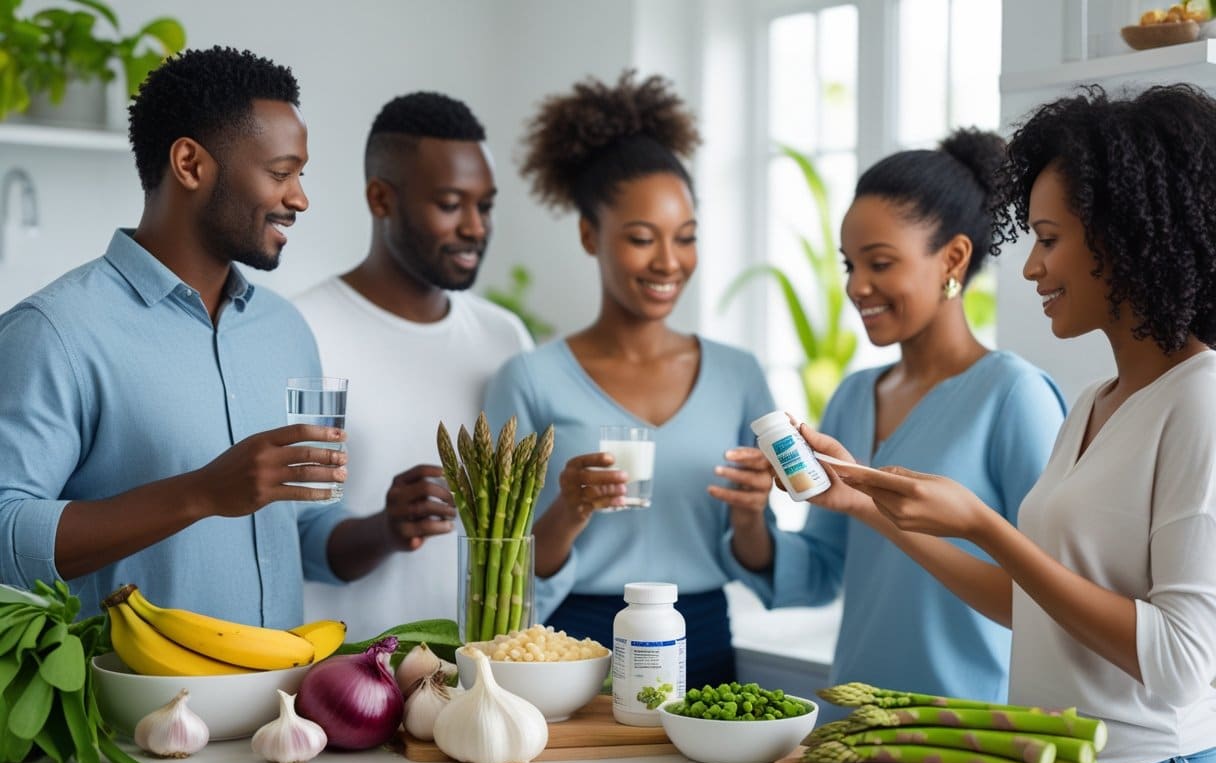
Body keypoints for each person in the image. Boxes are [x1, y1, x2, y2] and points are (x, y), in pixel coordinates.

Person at [815, 84, 1216, 763]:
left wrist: (984, 526)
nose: (1030, 265)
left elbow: (1183, 660)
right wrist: (869, 509)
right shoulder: (1096, 402)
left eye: (1050, 240)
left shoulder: (1202, 401)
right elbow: (1031, 606)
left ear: (1124, 237)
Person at [0, 47, 422, 628]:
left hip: (283, 713)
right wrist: (200, 493)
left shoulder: (284, 330)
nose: (299, 198)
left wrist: (388, 529)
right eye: (280, 173)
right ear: (191, 165)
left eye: (300, 175)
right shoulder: (54, 331)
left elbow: (302, 533)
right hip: (134, 717)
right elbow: (6, 533)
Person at [725, 130, 1066, 718]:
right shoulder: (856, 396)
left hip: (969, 730)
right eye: (850, 264)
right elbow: (822, 573)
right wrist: (750, 522)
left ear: (953, 259)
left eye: (880, 263)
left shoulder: (1015, 396)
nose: (857, 286)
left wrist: (866, 504)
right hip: (852, 720)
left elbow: (1049, 596)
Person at [484, 70, 782, 687]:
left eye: (686, 238)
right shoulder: (529, 379)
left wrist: (752, 516)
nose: (668, 262)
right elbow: (497, 569)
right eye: (642, 238)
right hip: (563, 648)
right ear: (590, 235)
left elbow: (759, 558)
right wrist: (570, 508)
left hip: (702, 637)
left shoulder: (738, 375)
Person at [294, 92, 531, 640]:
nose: (475, 227)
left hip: (482, 670)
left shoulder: (504, 336)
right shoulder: (306, 330)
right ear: (381, 199)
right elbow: (296, 538)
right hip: (346, 674)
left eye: (485, 205)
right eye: (451, 204)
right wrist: (386, 528)